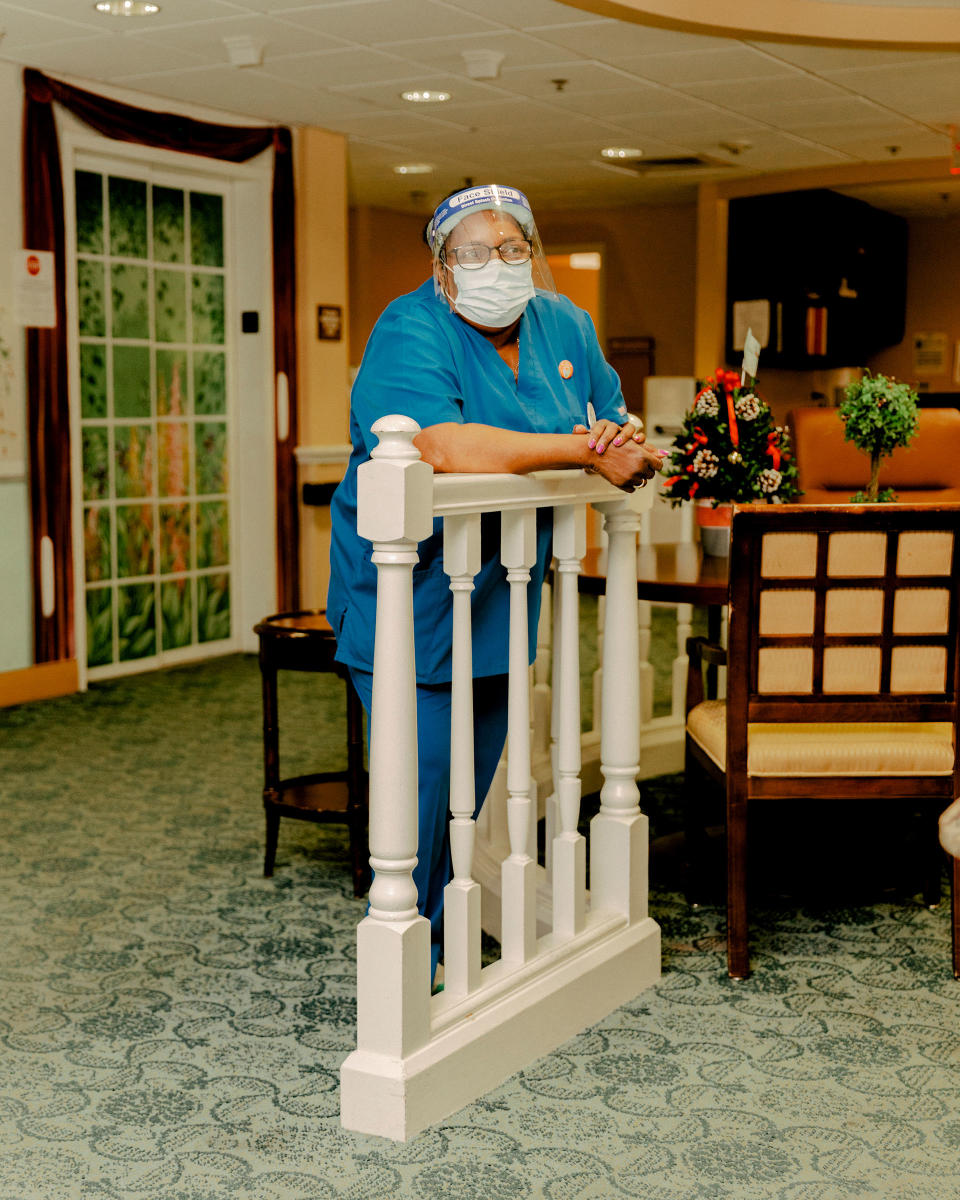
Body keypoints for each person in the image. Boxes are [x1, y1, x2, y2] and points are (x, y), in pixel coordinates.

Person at [327, 183, 662, 981]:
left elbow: (611, 418)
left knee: (470, 780)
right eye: (471, 252)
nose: (495, 264)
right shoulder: (410, 327)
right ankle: (405, 948)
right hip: (408, 590)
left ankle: (445, 933)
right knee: (422, 777)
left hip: (503, 593)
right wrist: (581, 451)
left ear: (532, 251)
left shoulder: (566, 324)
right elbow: (443, 446)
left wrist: (619, 440)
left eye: (512, 247)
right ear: (442, 268)